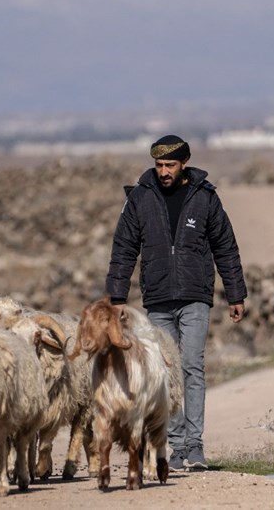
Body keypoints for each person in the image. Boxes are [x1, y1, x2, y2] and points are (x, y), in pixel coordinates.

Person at [105, 134, 247, 471]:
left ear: (184, 163)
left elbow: (226, 247)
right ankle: (176, 443)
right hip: (157, 297)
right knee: (164, 372)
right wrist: (117, 298)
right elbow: (124, 248)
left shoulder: (205, 198)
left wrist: (235, 294)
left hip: (196, 295)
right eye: (158, 165)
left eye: (170, 165)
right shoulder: (140, 198)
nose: (163, 171)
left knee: (192, 367)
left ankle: (195, 446)